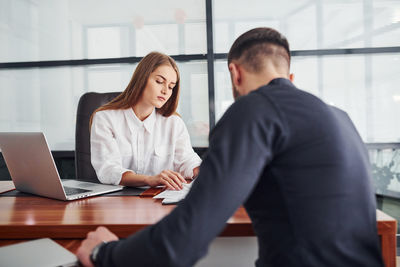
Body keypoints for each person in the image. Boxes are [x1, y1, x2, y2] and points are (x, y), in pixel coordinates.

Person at [78, 28, 383, 266]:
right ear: (289, 77)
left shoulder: (254, 110)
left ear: (235, 73)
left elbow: (181, 244)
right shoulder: (340, 117)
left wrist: (104, 253)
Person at [90, 52, 201, 190]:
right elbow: (108, 170)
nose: (166, 91)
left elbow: (187, 160)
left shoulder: (173, 123)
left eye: (171, 86)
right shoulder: (105, 119)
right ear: (142, 78)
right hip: (117, 202)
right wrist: (149, 179)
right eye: (160, 81)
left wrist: (202, 171)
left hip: (158, 201)